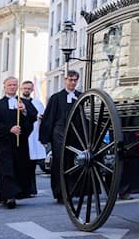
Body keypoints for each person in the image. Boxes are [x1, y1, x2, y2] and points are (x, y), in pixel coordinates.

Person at [0, 76, 37, 208]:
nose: (12, 87)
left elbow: (33, 117)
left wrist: (25, 111)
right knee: (6, 168)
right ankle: (8, 196)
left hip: (20, 143)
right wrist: (9, 129)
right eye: (10, 85)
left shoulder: (23, 103)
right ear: (4, 86)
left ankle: (15, 193)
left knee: (19, 167)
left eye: (15, 85)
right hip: (4, 142)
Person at [39, 70, 82, 203]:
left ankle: (73, 190)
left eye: (75, 80)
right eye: (70, 79)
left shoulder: (81, 96)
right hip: (59, 133)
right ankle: (61, 192)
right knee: (60, 163)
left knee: (76, 162)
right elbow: (49, 118)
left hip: (76, 134)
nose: (72, 82)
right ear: (65, 80)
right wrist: (44, 138)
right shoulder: (56, 98)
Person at [21, 80, 47, 194]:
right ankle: (23, 188)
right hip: (23, 135)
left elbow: (43, 119)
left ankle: (32, 188)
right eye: (25, 88)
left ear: (32, 90)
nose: (27, 90)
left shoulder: (37, 102)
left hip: (34, 135)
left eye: (29, 88)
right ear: (22, 89)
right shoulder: (18, 102)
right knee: (23, 163)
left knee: (32, 164)